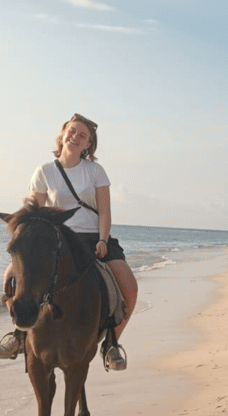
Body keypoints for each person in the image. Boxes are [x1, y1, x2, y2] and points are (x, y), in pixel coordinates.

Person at [0, 114, 139, 369]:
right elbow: (35, 212)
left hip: (91, 237)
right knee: (10, 277)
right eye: (72, 132)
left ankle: (111, 342)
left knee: (129, 286)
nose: (75, 137)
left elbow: (105, 211)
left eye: (82, 135)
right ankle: (19, 334)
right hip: (57, 237)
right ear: (62, 135)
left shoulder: (96, 171)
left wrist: (103, 240)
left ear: (88, 145)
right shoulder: (44, 171)